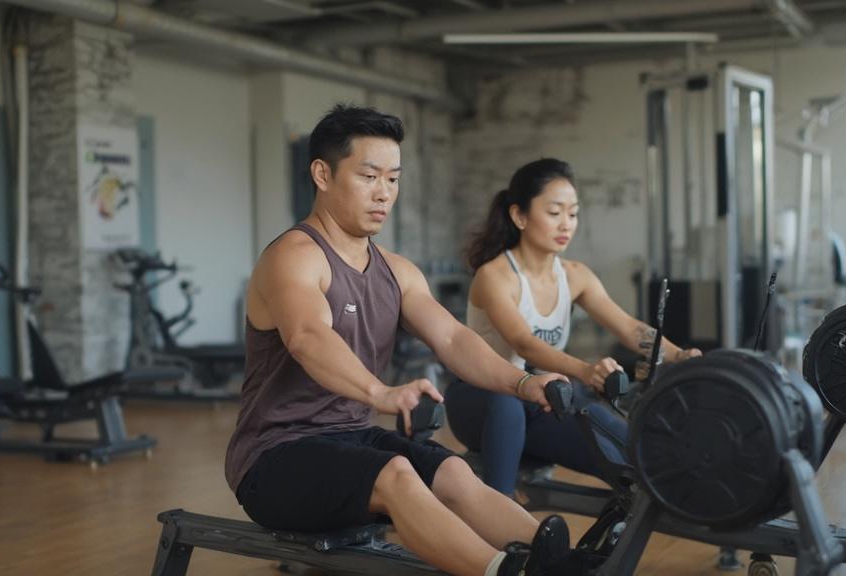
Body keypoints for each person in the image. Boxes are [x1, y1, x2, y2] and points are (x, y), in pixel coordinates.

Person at [225, 106, 589, 576]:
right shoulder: (293, 257)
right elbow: (307, 336)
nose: (384, 194)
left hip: (351, 439)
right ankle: (508, 572)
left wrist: (522, 384)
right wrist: (382, 392)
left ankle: (561, 564)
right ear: (322, 173)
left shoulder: (397, 271)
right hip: (275, 459)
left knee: (453, 471)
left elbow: (453, 338)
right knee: (396, 474)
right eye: (369, 176)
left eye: (393, 179)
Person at [445, 158, 702, 496]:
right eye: (554, 213)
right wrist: (585, 370)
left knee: (637, 461)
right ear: (519, 215)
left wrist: (680, 355)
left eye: (573, 213)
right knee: (507, 404)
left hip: (543, 400)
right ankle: (497, 519)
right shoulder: (496, 276)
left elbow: (627, 327)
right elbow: (524, 343)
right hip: (482, 400)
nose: (566, 223)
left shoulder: (575, 275)